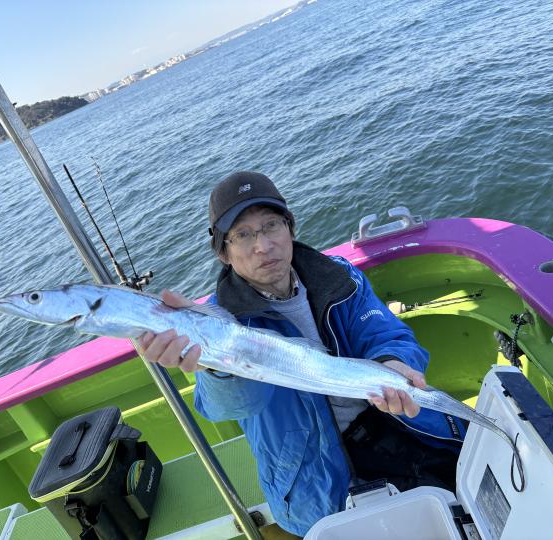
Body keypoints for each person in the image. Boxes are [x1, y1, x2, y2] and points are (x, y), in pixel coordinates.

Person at [137, 171, 466, 536]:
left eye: (271, 225)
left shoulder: (338, 276)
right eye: (243, 235)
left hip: (392, 424)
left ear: (289, 228)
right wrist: (217, 365)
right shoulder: (219, 323)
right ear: (223, 252)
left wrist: (394, 362)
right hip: (313, 480)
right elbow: (228, 406)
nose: (263, 245)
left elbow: (384, 333)